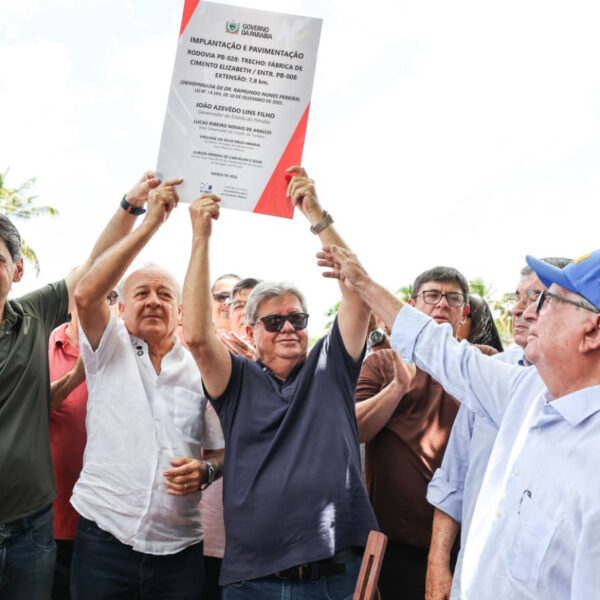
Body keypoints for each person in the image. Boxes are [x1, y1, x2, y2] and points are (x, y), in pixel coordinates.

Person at [318, 244, 600, 598]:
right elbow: (437, 348)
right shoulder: (524, 391)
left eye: (547, 301)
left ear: (593, 332)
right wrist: (362, 282)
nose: (527, 313)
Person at [182, 166, 378, 599]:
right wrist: (200, 236)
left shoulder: (330, 367)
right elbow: (196, 336)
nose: (288, 327)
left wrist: (316, 214)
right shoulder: (237, 380)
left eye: (297, 319)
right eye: (273, 321)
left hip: (333, 579)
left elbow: (359, 295)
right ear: (251, 331)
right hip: (253, 583)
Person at [0, 171, 162, 600]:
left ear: (17, 270)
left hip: (31, 528)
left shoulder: (31, 316)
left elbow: (95, 265)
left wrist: (130, 206)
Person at [70, 178, 224, 599]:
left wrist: (207, 471)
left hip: (180, 552)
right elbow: (85, 295)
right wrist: (152, 221)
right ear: (120, 307)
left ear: (180, 310)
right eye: (141, 293)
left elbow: (220, 450)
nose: (154, 300)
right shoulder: (108, 345)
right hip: (104, 540)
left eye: (164, 294)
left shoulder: (200, 366)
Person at [425, 258, 570, 600]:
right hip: (473, 580)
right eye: (517, 297)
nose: (518, 310)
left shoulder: (580, 391)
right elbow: (454, 478)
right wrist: (437, 563)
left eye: (535, 297)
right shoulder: (489, 374)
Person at [355, 267, 469, 599]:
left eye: (453, 298)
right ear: (410, 306)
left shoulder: (483, 364)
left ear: (464, 313)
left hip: (465, 543)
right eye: (432, 295)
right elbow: (355, 430)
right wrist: (397, 388)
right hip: (394, 544)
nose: (442, 304)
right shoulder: (382, 362)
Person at [202, 276, 261, 600]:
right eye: (224, 298)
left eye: (251, 304)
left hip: (258, 537)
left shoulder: (287, 366)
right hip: (204, 529)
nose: (229, 306)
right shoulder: (192, 357)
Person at [48, 303, 86, 600]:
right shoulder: (41, 345)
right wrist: (77, 374)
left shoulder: (125, 350)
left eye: (110, 296)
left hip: (109, 530)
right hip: (49, 524)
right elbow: (25, 408)